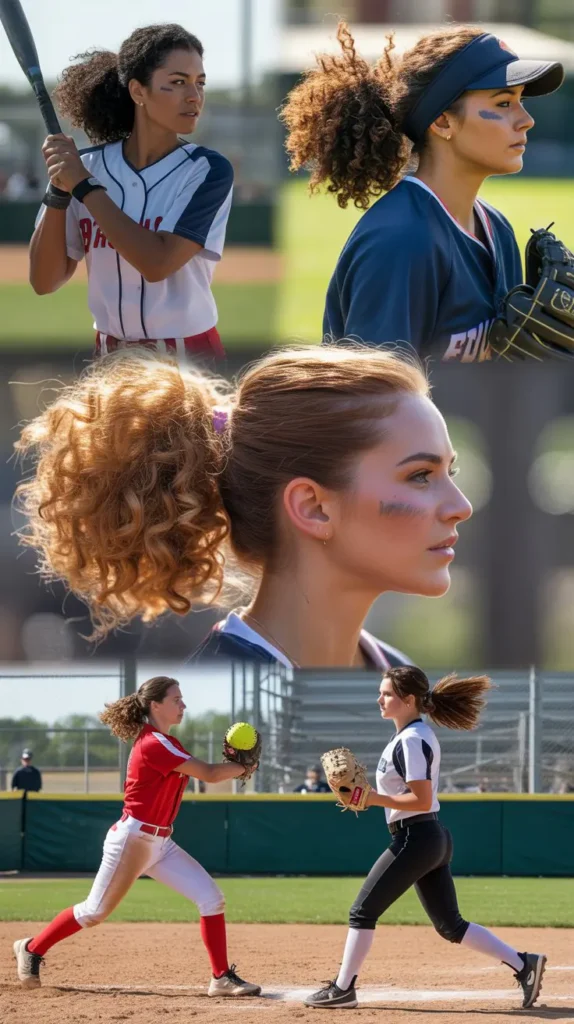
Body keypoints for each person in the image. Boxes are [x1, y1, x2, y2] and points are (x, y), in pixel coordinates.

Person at [15, 344, 471, 669]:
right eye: (419, 476)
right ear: (312, 507)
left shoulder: (402, 678)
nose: (460, 506)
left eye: (450, 472)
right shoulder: (207, 715)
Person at [281, 24, 564, 363]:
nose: (526, 120)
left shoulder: (496, 229)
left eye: (520, 100)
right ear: (443, 122)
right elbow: (373, 400)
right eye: (503, 103)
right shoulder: (401, 240)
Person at [304, 666, 546, 1010]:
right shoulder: (409, 737)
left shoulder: (412, 740)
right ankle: (525, 965)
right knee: (451, 925)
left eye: (387, 693)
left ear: (409, 700)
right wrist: (374, 798)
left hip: (415, 836)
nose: (380, 698)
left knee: (362, 912)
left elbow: (419, 799)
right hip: (427, 836)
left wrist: (373, 798)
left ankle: (343, 989)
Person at [12, 676, 261, 997]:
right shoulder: (154, 744)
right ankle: (32, 947)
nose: (183, 705)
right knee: (93, 912)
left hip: (160, 843)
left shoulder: (168, 742)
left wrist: (239, 766)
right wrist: (245, 766)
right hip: (133, 841)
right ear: (155, 705)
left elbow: (209, 772)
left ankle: (221, 978)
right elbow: (211, 775)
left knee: (212, 899)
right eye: (176, 699)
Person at [29, 24, 233, 360]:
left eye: (200, 83)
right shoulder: (86, 166)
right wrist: (59, 189)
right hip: (109, 360)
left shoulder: (207, 170)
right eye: (178, 82)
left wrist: (83, 186)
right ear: (138, 91)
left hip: (190, 359)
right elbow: (43, 281)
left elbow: (157, 263)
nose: (194, 96)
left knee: (210, 418)